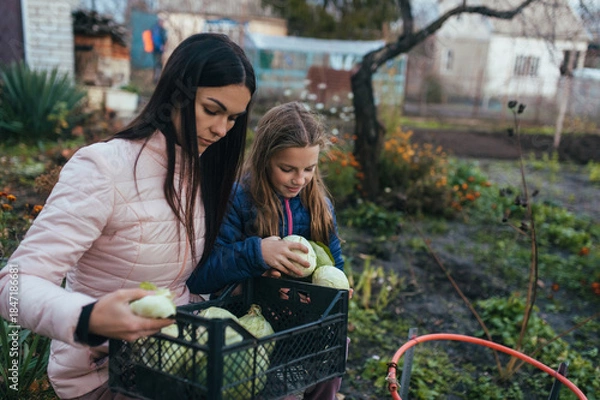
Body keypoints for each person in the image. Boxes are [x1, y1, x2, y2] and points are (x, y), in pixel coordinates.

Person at [0, 33, 256, 400]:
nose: (221, 129)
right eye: (212, 110)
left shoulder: (203, 173)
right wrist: (88, 317)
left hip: (174, 360)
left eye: (233, 118)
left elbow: (184, 281)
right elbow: (13, 284)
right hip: (103, 374)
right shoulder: (104, 169)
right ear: (176, 94)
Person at [187, 101, 346, 399]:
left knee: (337, 347)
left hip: (299, 321)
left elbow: (334, 263)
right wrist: (257, 253)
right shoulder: (237, 200)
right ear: (263, 159)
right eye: (287, 169)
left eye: (309, 169)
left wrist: (333, 291)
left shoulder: (318, 206)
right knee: (259, 382)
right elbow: (203, 276)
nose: (299, 179)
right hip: (249, 319)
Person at [151, 18, 167, 84]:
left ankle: (157, 79)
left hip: (158, 50)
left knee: (158, 64)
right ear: (159, 22)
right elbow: (156, 39)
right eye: (162, 22)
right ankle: (156, 79)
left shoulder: (160, 29)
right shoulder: (157, 29)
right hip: (157, 50)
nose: (163, 24)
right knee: (158, 64)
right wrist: (160, 46)